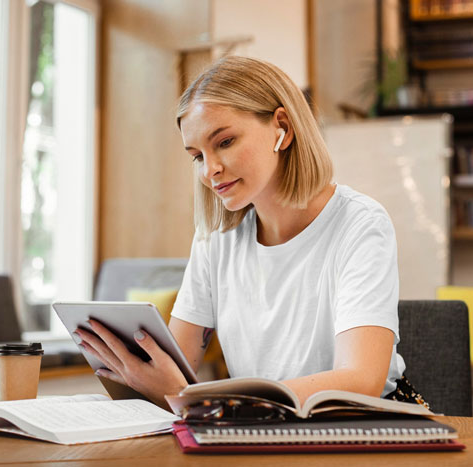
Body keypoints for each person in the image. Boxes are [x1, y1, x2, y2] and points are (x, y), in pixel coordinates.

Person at [74, 56, 427, 410]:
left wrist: (200, 398)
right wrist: (145, 376)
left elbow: (360, 380)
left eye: (224, 142)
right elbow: (176, 372)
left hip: (362, 423)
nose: (210, 169)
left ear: (283, 128)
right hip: (257, 423)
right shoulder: (215, 238)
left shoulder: (359, 223)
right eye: (197, 156)